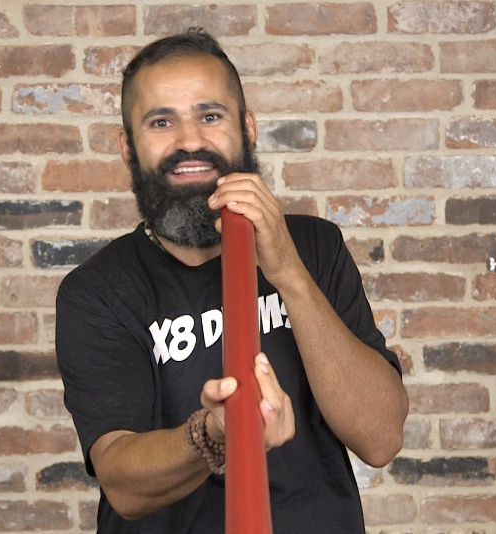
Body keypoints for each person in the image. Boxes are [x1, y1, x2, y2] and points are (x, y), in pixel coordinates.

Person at [56, 28, 409, 534]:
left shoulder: (314, 248)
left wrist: (288, 272)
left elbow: (381, 437)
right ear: (127, 148)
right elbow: (123, 484)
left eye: (210, 116)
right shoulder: (97, 292)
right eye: (161, 122)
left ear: (247, 128)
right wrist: (215, 434)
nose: (190, 141)